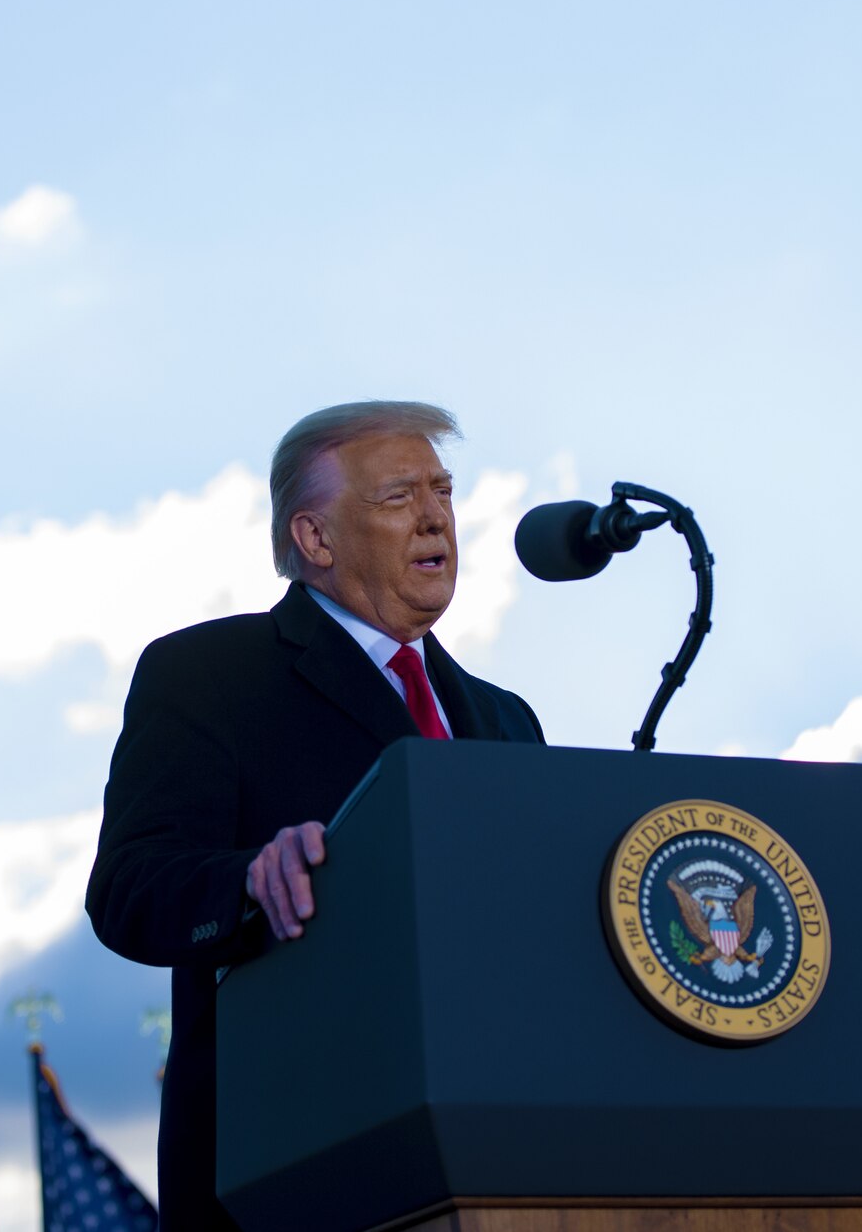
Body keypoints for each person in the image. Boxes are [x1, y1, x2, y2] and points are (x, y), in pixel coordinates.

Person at [84, 400, 545, 1229]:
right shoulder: (208, 674)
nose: (436, 513)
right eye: (399, 495)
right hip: (292, 1174)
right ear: (316, 539)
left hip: (500, 1163)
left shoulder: (506, 719)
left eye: (442, 490)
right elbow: (129, 888)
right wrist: (251, 881)